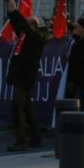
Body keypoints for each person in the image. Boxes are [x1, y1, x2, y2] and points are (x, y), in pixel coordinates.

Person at [5, 9, 49, 151]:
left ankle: (21, 141)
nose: (25, 27)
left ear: (34, 27)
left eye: (28, 24)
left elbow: (22, 26)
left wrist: (13, 12)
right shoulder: (24, 39)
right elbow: (20, 28)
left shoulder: (34, 38)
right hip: (21, 76)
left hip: (25, 78)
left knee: (16, 107)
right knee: (27, 109)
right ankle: (35, 137)